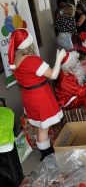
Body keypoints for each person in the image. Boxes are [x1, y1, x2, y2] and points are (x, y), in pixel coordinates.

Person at [8, 28, 66, 161]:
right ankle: (46, 155)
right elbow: (54, 75)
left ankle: (45, 151)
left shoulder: (16, 59)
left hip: (29, 96)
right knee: (44, 128)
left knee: (41, 126)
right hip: (40, 97)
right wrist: (59, 58)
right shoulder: (32, 60)